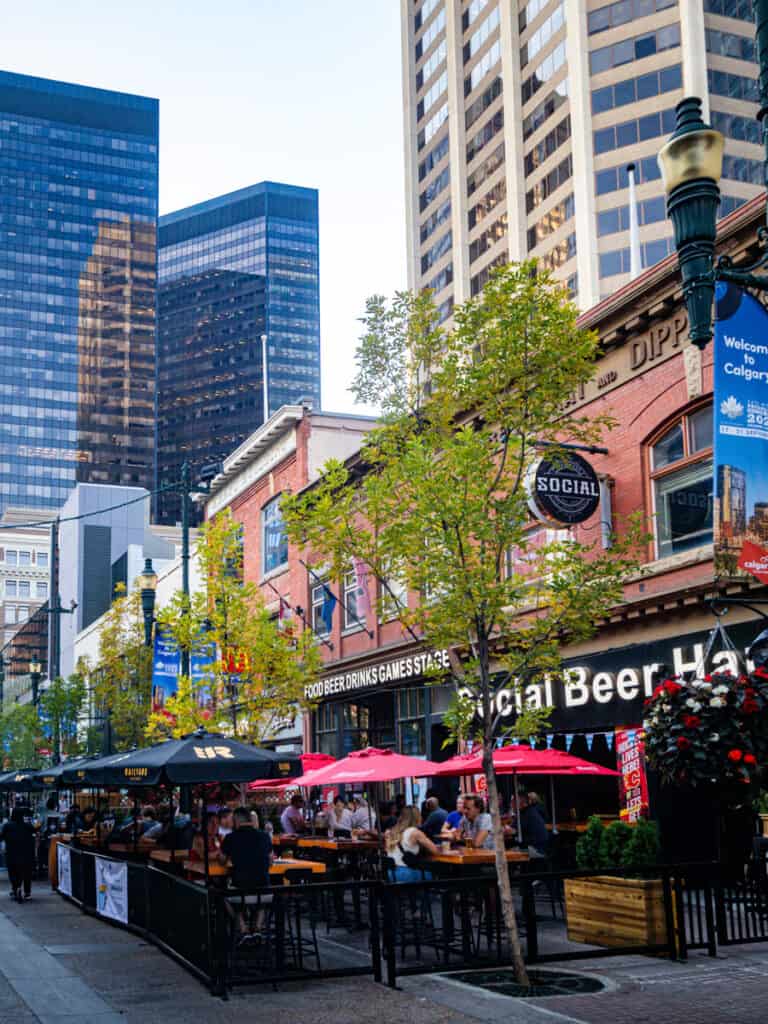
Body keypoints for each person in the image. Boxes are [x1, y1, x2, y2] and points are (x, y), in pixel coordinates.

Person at [220, 807, 273, 938]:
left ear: (236, 820)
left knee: (222, 895)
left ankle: (243, 928)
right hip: (264, 891)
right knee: (261, 894)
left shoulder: (230, 838)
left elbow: (222, 860)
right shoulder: (265, 836)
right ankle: (257, 928)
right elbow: (271, 860)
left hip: (240, 890)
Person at [384, 806, 438, 882]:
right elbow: (435, 850)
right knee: (431, 873)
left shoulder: (390, 832)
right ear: (416, 817)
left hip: (391, 874)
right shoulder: (415, 832)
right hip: (406, 874)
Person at [2, 806, 35, 902]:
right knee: (27, 873)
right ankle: (27, 893)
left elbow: (2, 837)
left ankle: (16, 887)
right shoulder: (27, 826)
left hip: (12, 854)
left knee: (13, 872)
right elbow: (34, 831)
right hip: (26, 854)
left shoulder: (7, 826)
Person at [519, 792, 549, 857]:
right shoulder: (532, 810)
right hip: (542, 845)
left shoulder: (528, 812)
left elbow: (518, 828)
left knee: (515, 849)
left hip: (536, 847)